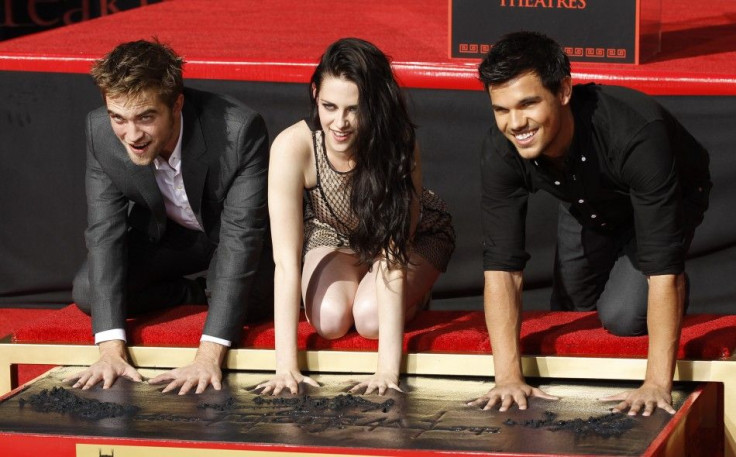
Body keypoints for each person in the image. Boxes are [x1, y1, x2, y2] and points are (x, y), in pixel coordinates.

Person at [470, 32, 710, 416]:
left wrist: (655, 384)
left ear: (563, 90)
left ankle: (658, 294)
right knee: (572, 311)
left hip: (670, 195)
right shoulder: (502, 148)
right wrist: (507, 378)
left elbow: (663, 272)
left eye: (528, 104)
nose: (516, 123)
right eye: (501, 109)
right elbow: (501, 268)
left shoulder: (635, 133)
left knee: (622, 315)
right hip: (584, 200)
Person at [67, 39, 274, 394]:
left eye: (145, 117)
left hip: (240, 234)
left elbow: (241, 237)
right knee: (88, 291)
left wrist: (208, 356)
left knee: (253, 305)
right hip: (174, 235)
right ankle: (192, 294)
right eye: (119, 117)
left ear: (176, 104)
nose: (131, 135)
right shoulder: (100, 131)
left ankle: (215, 292)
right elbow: (105, 233)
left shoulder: (238, 130)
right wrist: (110, 351)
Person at [257, 38, 455, 396]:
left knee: (370, 319)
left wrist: (386, 371)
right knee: (330, 321)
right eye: (329, 106)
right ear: (315, 94)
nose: (340, 122)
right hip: (332, 234)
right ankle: (368, 287)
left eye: (355, 109)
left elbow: (393, 257)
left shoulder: (397, 142)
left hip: (409, 239)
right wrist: (285, 368)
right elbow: (285, 262)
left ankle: (416, 298)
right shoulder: (292, 146)